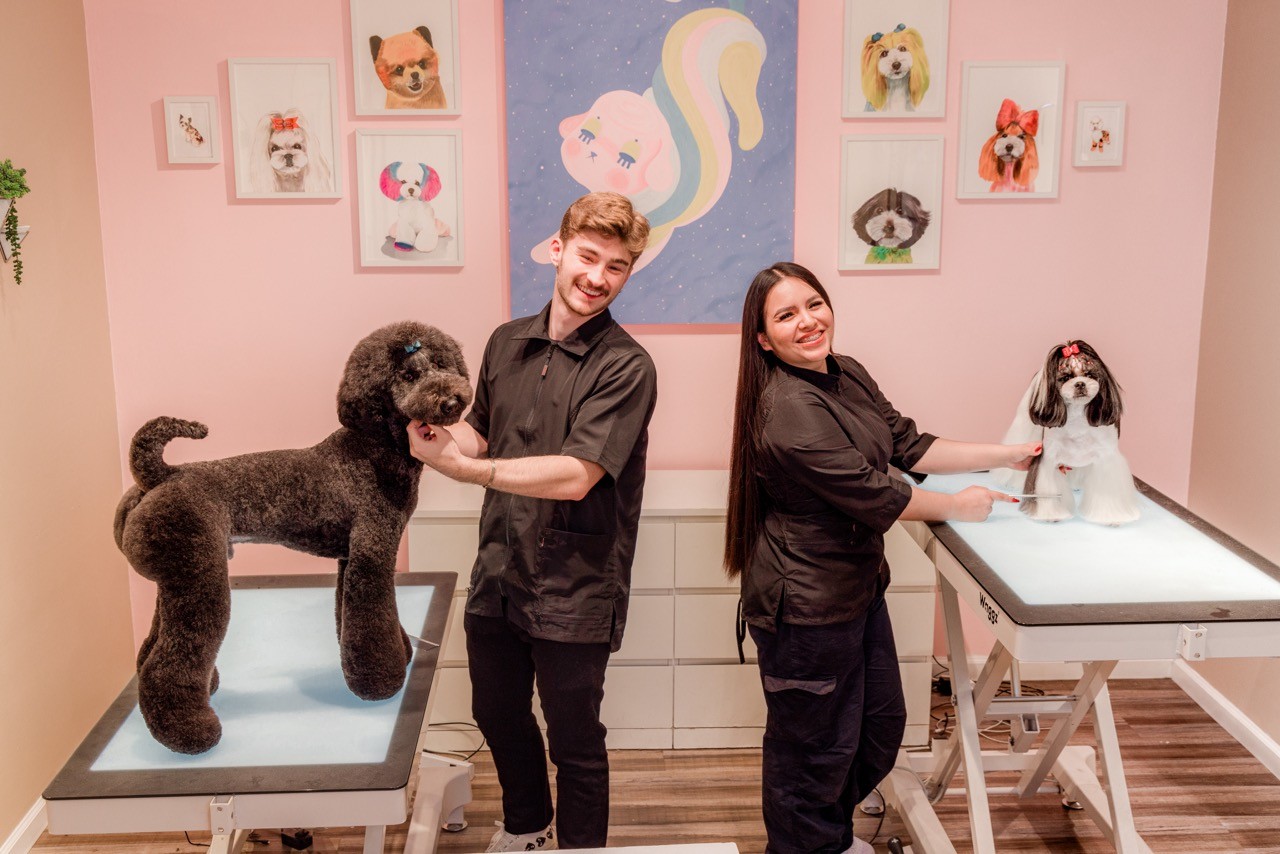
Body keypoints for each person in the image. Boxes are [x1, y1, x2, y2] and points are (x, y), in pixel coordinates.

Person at [724, 262, 1040, 854]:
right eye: (786, 315)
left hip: (858, 592)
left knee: (878, 728)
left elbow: (907, 445)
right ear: (763, 339)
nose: (808, 321)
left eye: (814, 304)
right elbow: (874, 491)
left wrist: (1010, 453)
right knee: (812, 754)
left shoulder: (846, 374)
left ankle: (828, 838)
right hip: (806, 610)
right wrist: (957, 506)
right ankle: (807, 845)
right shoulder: (788, 409)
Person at [407, 191, 657, 852]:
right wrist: (428, 435)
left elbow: (579, 473)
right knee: (494, 710)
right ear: (558, 248)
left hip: (576, 582)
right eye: (589, 256)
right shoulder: (504, 343)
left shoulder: (627, 367)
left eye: (618, 265)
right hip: (499, 568)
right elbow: (481, 437)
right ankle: (527, 828)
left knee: (575, 739)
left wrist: (470, 473)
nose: (599, 277)